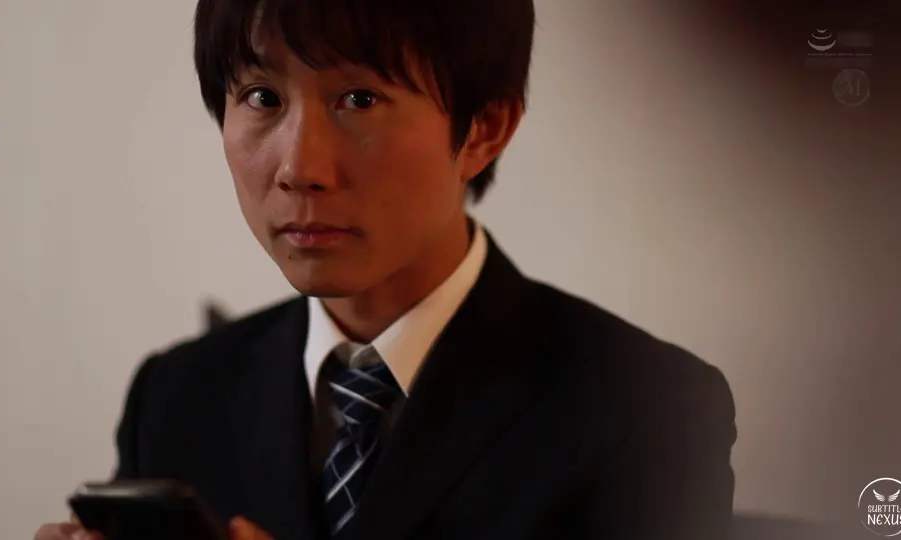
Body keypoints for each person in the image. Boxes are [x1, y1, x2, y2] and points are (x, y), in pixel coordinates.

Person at [36, 0, 737, 538]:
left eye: (359, 100)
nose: (300, 167)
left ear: (485, 128)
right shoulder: (176, 397)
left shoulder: (644, 409)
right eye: (262, 98)